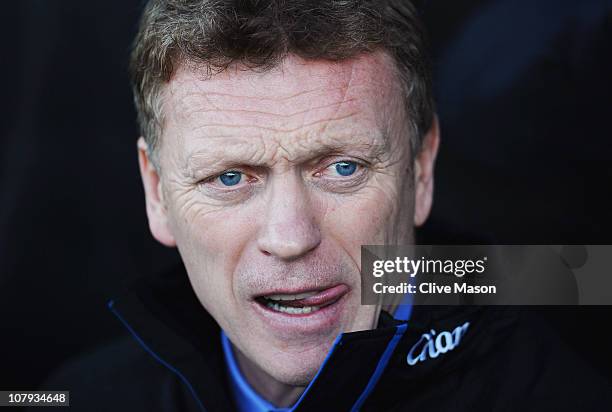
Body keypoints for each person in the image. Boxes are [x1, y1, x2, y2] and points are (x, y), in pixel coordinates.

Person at [39, 1, 611, 411]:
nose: (290, 237)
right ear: (157, 192)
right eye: (230, 176)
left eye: (343, 168)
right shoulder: (74, 396)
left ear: (422, 168)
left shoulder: (563, 392)